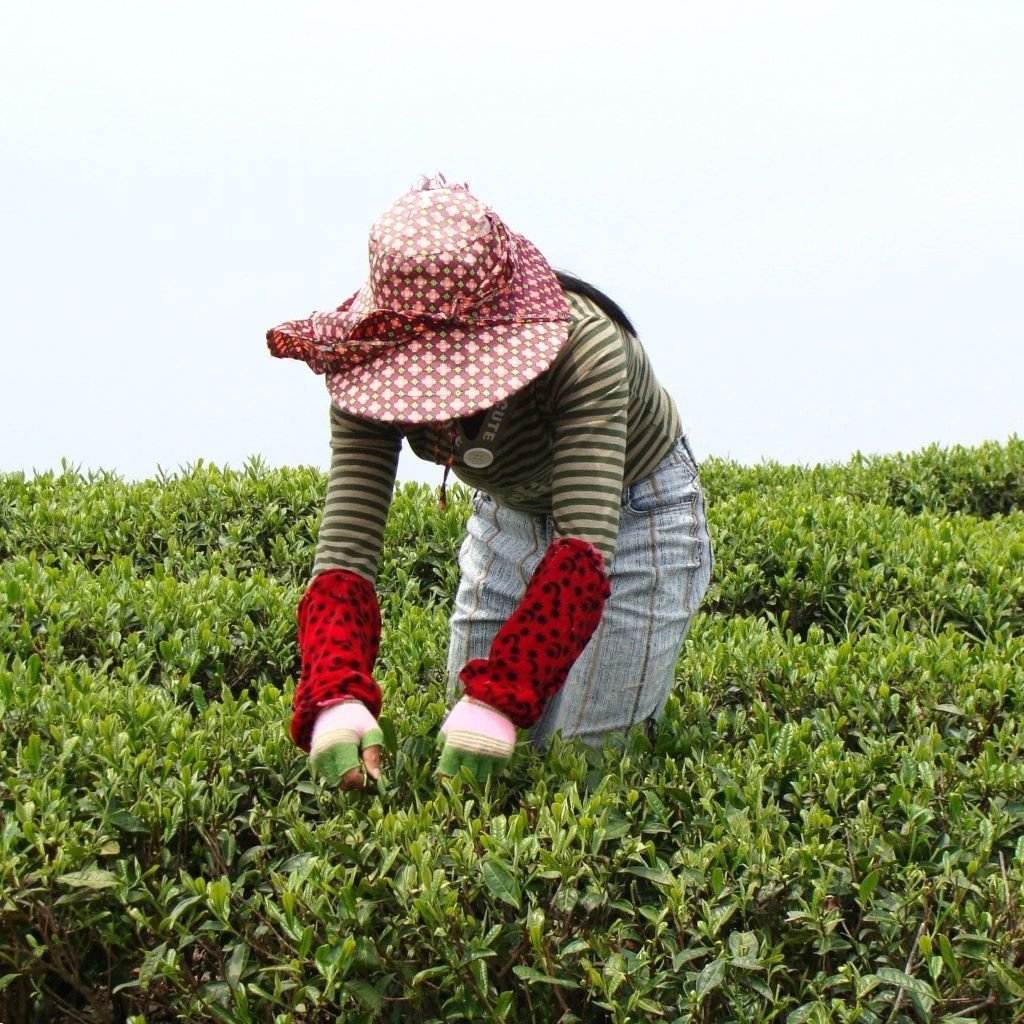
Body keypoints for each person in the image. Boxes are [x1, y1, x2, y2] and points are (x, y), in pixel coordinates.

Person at [266, 173, 714, 790]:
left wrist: (503, 698)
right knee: (466, 757)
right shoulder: (362, 355)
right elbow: (346, 553)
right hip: (509, 513)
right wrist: (335, 693)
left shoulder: (586, 349)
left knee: (582, 763)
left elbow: (584, 547)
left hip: (635, 513)